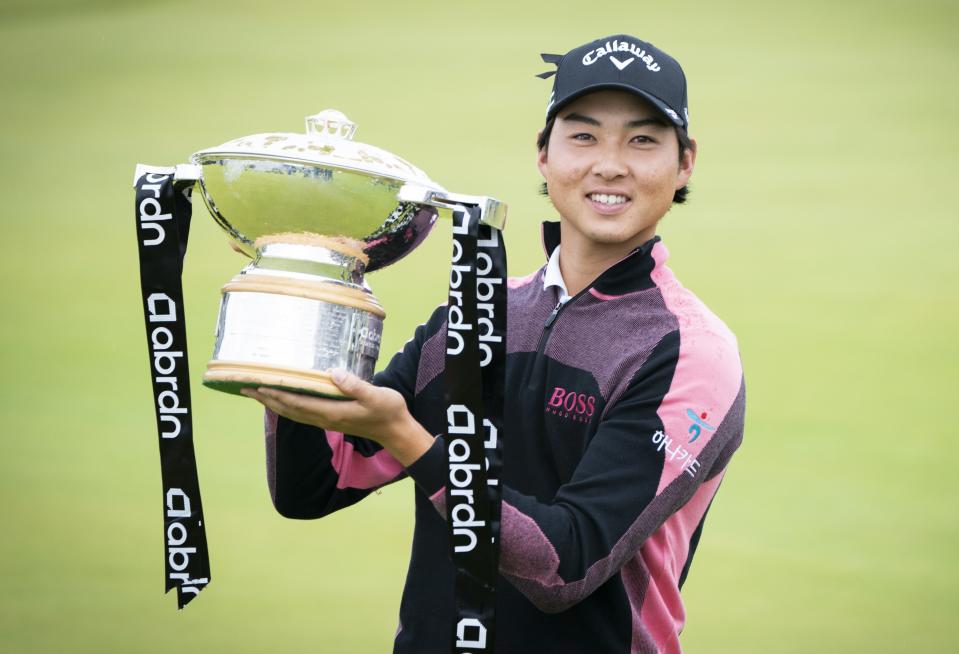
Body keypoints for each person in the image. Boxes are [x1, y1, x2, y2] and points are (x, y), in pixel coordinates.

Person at [243, 34, 745, 654]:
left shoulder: (689, 351)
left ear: (685, 162)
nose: (610, 164)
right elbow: (318, 485)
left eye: (642, 140)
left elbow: (565, 564)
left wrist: (409, 439)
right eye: (583, 136)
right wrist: (302, 321)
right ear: (543, 154)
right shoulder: (480, 310)